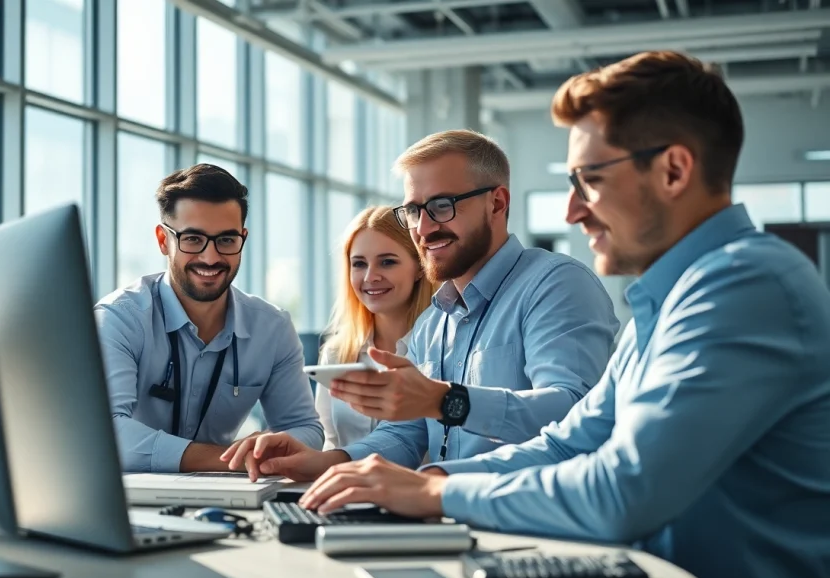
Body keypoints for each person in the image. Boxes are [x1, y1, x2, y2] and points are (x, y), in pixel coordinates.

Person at [293, 51, 830, 578]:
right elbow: (568, 442)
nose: (572, 211)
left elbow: (623, 490)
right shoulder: (664, 307)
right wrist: (423, 479)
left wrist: (435, 491)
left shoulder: (744, 285)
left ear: (673, 170)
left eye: (589, 180)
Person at [222, 130, 619, 481]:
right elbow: (406, 433)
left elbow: (575, 412)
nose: (424, 228)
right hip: (450, 516)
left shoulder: (555, 284)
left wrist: (445, 400)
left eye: (442, 205)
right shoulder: (433, 324)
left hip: (531, 528)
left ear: (497, 203)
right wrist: (327, 462)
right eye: (414, 210)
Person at [95, 163, 323, 473]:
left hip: (229, 498)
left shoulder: (272, 328)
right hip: (132, 502)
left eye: (226, 240)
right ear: (163, 240)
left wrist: (267, 450)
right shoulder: (120, 319)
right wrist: (231, 458)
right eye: (192, 239)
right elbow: (107, 434)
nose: (211, 257)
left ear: (243, 238)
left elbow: (305, 428)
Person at [315, 206, 436, 449]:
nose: (371, 277)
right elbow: (330, 441)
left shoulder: (443, 349)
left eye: (387, 262)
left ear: (420, 268)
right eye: (359, 264)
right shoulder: (337, 353)